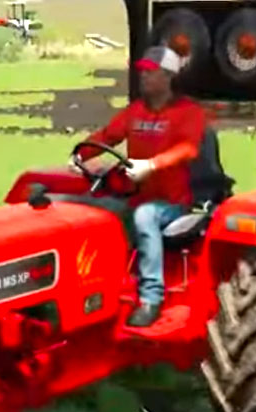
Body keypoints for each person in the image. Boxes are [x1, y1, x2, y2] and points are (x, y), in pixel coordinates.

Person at [79, 45, 207, 327]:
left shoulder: (189, 113)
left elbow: (188, 149)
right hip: (136, 196)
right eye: (142, 72)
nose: (143, 77)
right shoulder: (135, 112)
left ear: (168, 76)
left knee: (145, 215)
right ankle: (98, 288)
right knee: (94, 210)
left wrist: (151, 165)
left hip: (174, 204)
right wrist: (80, 155)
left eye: (150, 72)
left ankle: (151, 298)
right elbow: (107, 136)